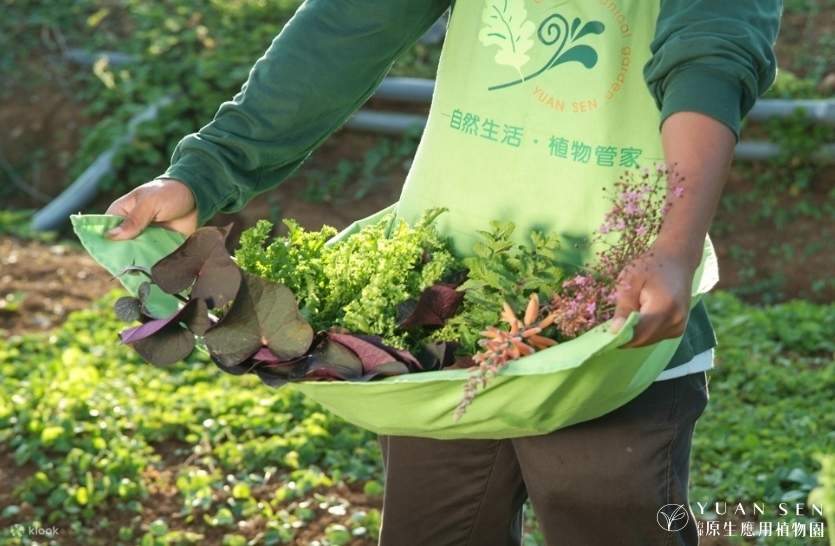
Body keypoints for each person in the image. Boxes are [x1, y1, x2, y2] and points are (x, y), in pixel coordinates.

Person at [104, 1, 781, 544]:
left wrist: (672, 242)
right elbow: (346, 28)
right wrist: (205, 169)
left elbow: (713, 45)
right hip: (439, 318)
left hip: (612, 324)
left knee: (603, 510)